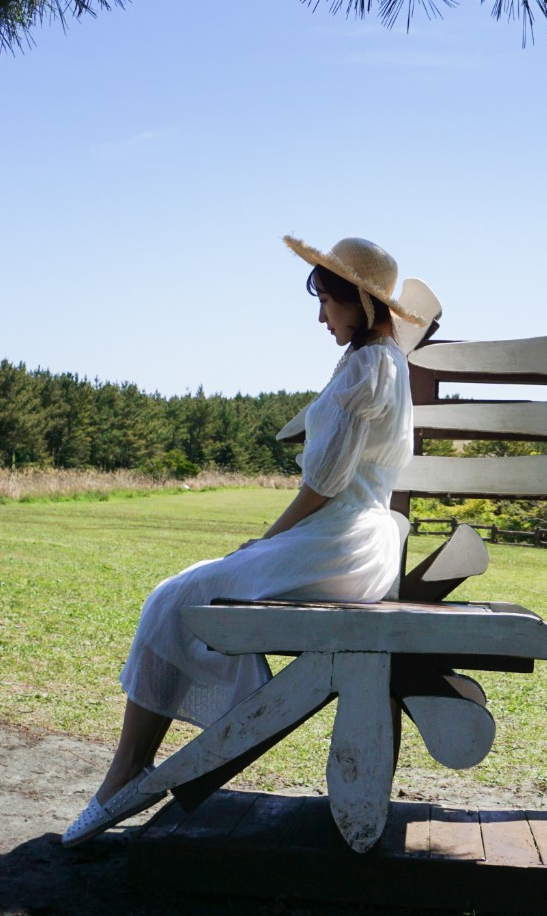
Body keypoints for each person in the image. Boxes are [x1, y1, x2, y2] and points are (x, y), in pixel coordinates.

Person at [61, 234, 422, 844]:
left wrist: (259, 543)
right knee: (183, 593)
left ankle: (126, 771)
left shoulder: (366, 368)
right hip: (362, 545)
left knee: (174, 596)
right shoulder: (387, 362)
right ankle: (135, 767)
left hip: (339, 543)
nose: (319, 314)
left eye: (327, 300)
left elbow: (325, 485)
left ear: (361, 303)